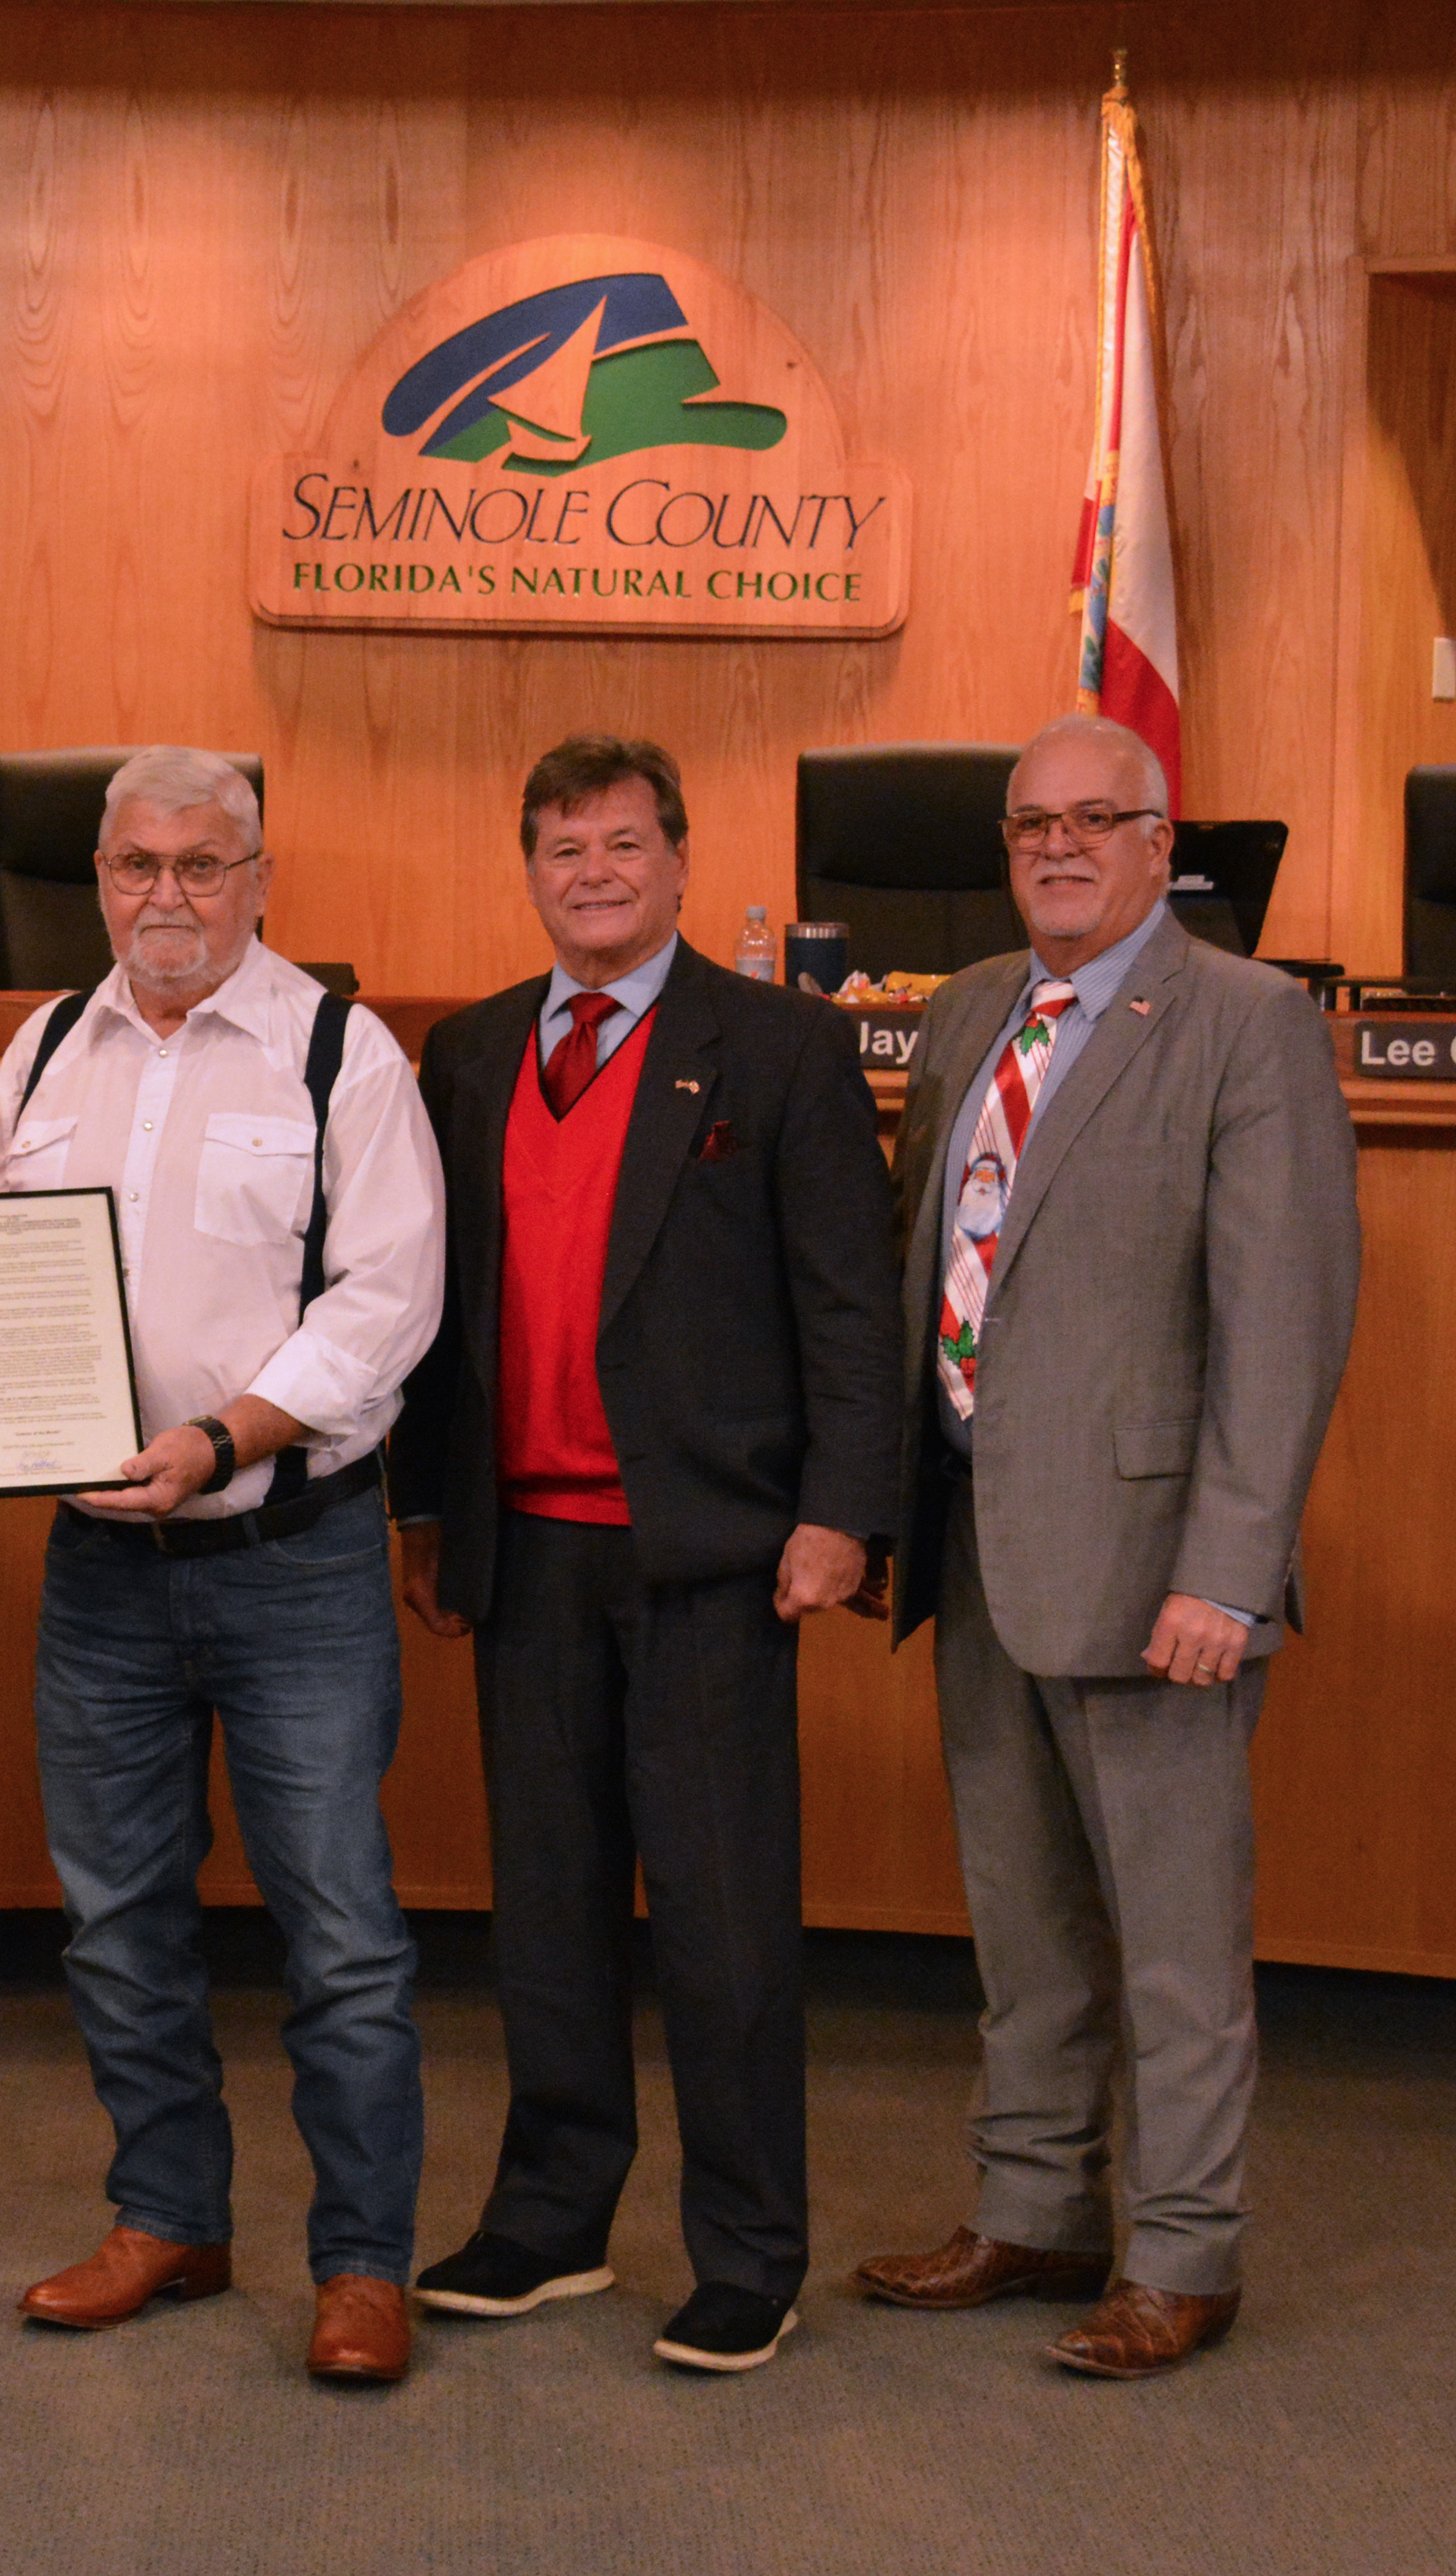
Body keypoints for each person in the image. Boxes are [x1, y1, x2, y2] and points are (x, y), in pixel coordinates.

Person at [851, 712, 1360, 2380]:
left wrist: (1230, 1567)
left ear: (1163, 841)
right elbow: (929, 1270)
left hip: (1157, 1575)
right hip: (986, 1543)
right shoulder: (972, 1010)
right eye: (1031, 824)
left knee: (1175, 1937)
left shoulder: (1245, 1021)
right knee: (1027, 1923)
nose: (1059, 846)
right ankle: (1034, 2210)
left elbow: (1282, 1319)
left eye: (1096, 820)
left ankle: (1186, 2253)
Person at [390, 734, 899, 2374]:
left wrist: (844, 1507)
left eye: (622, 845)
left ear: (680, 859)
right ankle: (549, 2220)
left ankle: (749, 2250)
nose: (592, 874)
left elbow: (849, 1302)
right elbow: (422, 1315)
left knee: (723, 1921)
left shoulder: (779, 1049)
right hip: (523, 1548)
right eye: (561, 849)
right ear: (527, 870)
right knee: (544, 1914)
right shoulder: (465, 1056)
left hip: (707, 1554)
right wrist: (419, 1505)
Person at [0, 745, 449, 2387]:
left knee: (340, 1929)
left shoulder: (342, 1053)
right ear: (95, 877)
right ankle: (168, 2210)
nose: (165, 895)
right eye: (135, 865)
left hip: (289, 1557)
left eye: (200, 864)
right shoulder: (40, 1049)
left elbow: (388, 1305)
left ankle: (365, 2259)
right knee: (115, 1918)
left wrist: (227, 1434)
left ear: (257, 877)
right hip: (99, 1571)